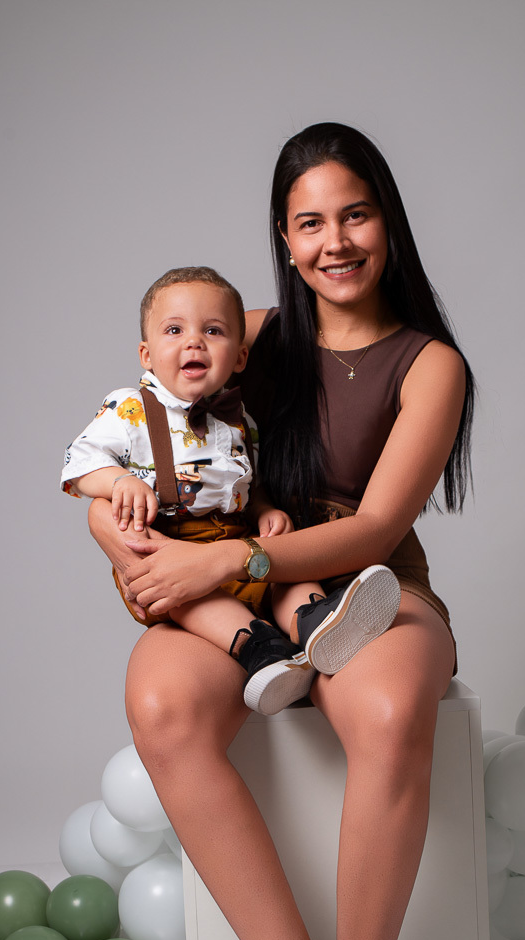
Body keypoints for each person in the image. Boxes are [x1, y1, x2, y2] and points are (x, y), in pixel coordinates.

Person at [87, 124, 474, 940]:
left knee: (387, 710)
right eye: (310, 222)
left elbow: (382, 523)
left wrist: (232, 563)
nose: (334, 241)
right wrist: (127, 542)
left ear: (387, 220)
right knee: (161, 703)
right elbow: (129, 446)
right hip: (237, 585)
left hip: (368, 581)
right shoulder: (245, 335)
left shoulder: (430, 364)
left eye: (355, 214)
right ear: (284, 238)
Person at [62, 265, 401, 715]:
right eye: (174, 330)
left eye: (213, 330)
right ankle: (260, 650)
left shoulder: (241, 420)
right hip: (172, 546)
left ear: (240, 358)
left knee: (283, 564)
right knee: (191, 599)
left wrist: (263, 510)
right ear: (146, 354)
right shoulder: (130, 408)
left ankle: (317, 622)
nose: (194, 342)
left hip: (235, 538)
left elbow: (246, 484)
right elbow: (79, 463)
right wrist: (118, 480)